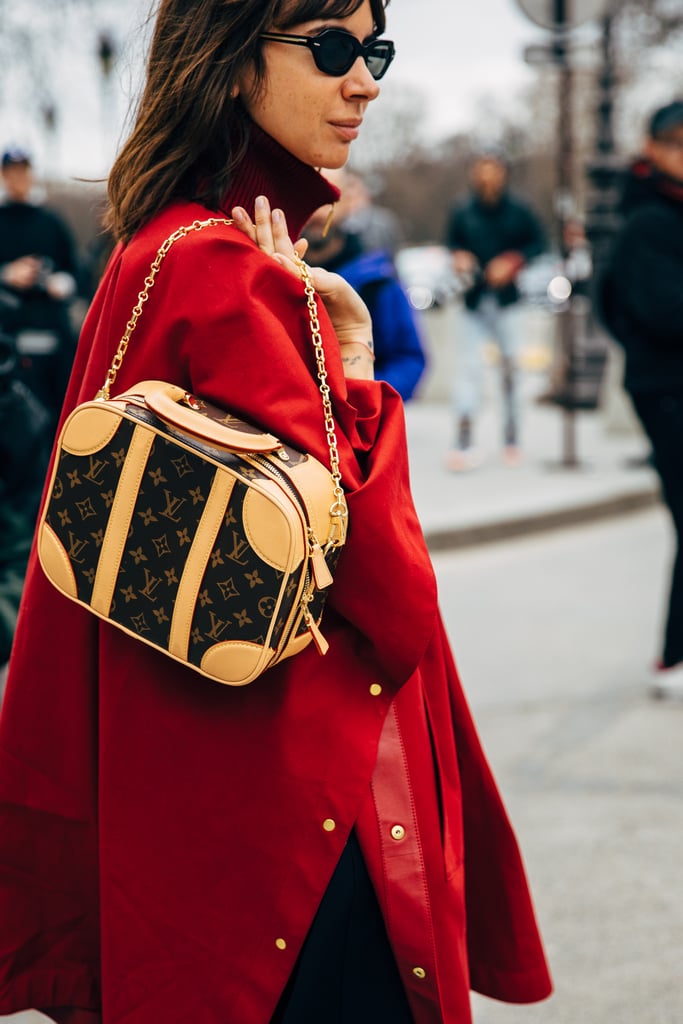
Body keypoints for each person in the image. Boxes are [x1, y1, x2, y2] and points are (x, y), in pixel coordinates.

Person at [0, 3, 552, 1022]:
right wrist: (354, 370)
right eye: (331, 48)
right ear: (228, 57)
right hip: (294, 838)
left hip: (184, 811)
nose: (365, 82)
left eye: (373, 49)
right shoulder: (238, 272)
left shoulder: (155, 246)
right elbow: (387, 602)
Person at [600, 99, 683, 701]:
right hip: (668, 389)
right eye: (677, 142)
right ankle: (674, 657)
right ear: (652, 148)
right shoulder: (648, 220)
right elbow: (658, 311)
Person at [444, 150, 546, 470]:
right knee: (469, 370)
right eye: (481, 170)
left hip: (508, 301)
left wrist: (513, 261)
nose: (487, 178)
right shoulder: (463, 209)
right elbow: (451, 243)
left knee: (512, 370)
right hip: (474, 299)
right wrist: (460, 257)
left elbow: (539, 244)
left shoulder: (519, 208)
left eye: (493, 170)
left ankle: (512, 436)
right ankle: (464, 438)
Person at [303, 205, 426, 399]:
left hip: (355, 417)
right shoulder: (270, 274)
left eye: (327, 202)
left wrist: (366, 398)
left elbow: (408, 358)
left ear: (346, 205)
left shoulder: (377, 282)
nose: (316, 213)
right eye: (306, 200)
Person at [0, 147, 80, 441]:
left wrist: (59, 283)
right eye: (12, 171)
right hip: (9, 343)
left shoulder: (50, 221)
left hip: (53, 342)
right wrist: (7, 274)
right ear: (3, 175)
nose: (18, 178)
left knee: (56, 425)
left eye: (23, 170)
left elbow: (76, 273)